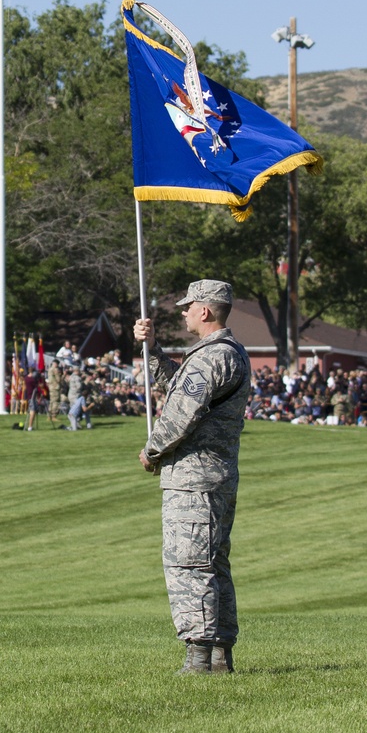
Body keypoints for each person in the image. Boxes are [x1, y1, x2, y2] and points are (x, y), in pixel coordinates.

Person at [134, 279, 251, 676]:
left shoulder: (210, 357)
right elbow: (178, 386)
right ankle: (220, 655)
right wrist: (152, 350)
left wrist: (152, 451)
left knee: (189, 564)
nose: (183, 312)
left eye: (188, 306)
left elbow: (180, 414)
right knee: (213, 563)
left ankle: (199, 657)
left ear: (205, 310)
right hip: (217, 476)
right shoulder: (226, 353)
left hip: (194, 478)